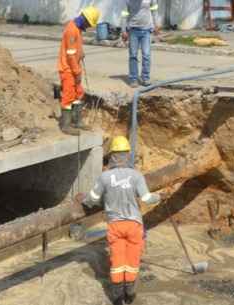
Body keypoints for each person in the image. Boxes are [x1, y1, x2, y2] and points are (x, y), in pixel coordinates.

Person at [76, 136, 161, 305]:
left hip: (115, 225)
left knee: (117, 261)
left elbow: (92, 199)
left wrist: (82, 198)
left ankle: (116, 298)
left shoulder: (105, 177)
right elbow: (146, 198)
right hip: (134, 225)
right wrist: (159, 196)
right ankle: (129, 295)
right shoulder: (136, 176)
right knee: (132, 260)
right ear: (127, 154)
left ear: (112, 155)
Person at [57, 6, 100, 136]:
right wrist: (77, 73)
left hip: (74, 67)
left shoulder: (77, 29)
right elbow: (70, 55)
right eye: (88, 24)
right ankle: (65, 125)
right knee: (68, 96)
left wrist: (80, 52)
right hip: (68, 69)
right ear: (85, 20)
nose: (87, 27)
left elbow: (75, 49)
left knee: (78, 93)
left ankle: (77, 121)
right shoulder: (71, 30)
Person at [122, 0, 158, 88]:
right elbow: (124, 15)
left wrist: (156, 24)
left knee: (146, 55)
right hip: (133, 30)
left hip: (146, 30)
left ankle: (145, 78)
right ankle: (133, 79)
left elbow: (154, 10)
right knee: (133, 55)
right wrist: (123, 30)